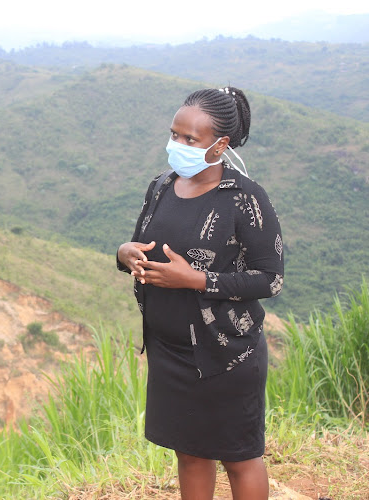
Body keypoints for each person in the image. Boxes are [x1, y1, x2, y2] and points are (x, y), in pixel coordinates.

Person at [116, 86, 283, 499]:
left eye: (191, 139)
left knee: (239, 457)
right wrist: (124, 254)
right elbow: (140, 245)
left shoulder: (244, 198)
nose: (178, 145)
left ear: (220, 145)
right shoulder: (160, 187)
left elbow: (270, 279)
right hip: (169, 350)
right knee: (189, 453)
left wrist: (198, 280)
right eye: (175, 135)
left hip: (225, 354)